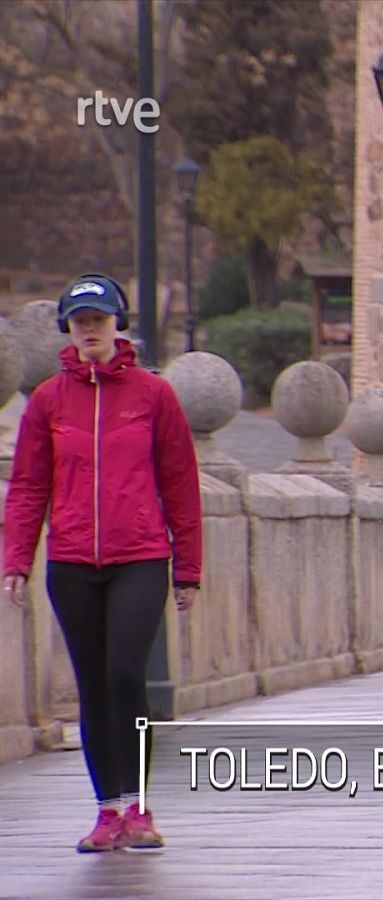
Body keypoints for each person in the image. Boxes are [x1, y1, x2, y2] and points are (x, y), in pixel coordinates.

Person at [2, 273, 202, 853]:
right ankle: (106, 811)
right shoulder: (47, 401)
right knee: (91, 685)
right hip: (71, 562)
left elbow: (181, 483)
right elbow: (28, 486)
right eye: (80, 322)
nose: (90, 330)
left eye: (99, 320)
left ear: (119, 324)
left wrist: (188, 568)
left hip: (140, 556)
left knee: (124, 675)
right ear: (69, 328)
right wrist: (16, 559)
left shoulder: (154, 395)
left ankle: (139, 807)